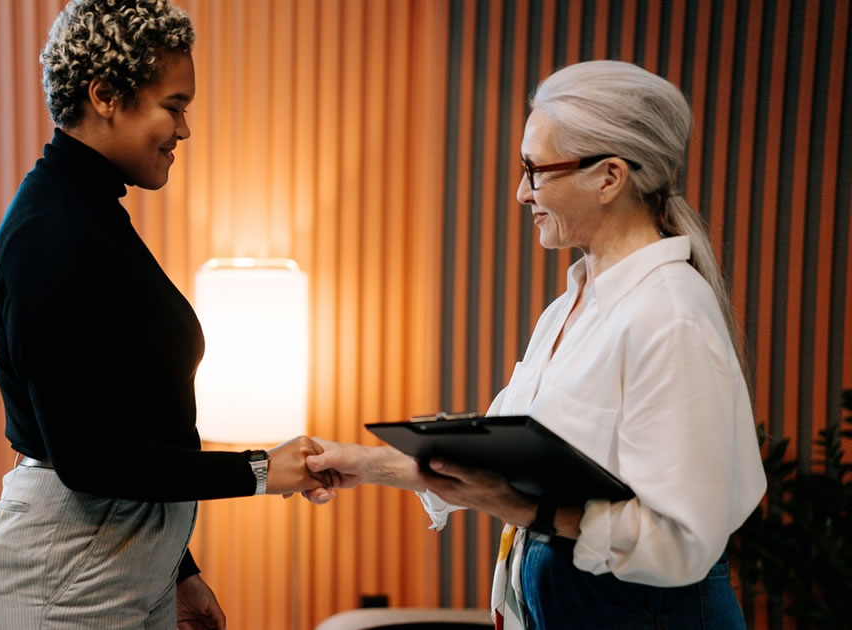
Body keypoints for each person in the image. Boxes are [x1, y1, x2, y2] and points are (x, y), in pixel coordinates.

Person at [303, 60, 766, 629]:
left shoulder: (669, 316)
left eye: (534, 169)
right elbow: (495, 460)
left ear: (609, 177)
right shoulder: (569, 308)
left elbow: (681, 545)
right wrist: (366, 463)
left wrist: (525, 509)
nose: (522, 193)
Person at [0, 2, 328, 628]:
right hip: (61, 581)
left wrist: (177, 569)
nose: (184, 130)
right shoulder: (49, 236)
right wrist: (262, 470)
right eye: (174, 106)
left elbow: (135, 422)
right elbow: (89, 459)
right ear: (106, 94)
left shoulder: (90, 215)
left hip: (118, 559)